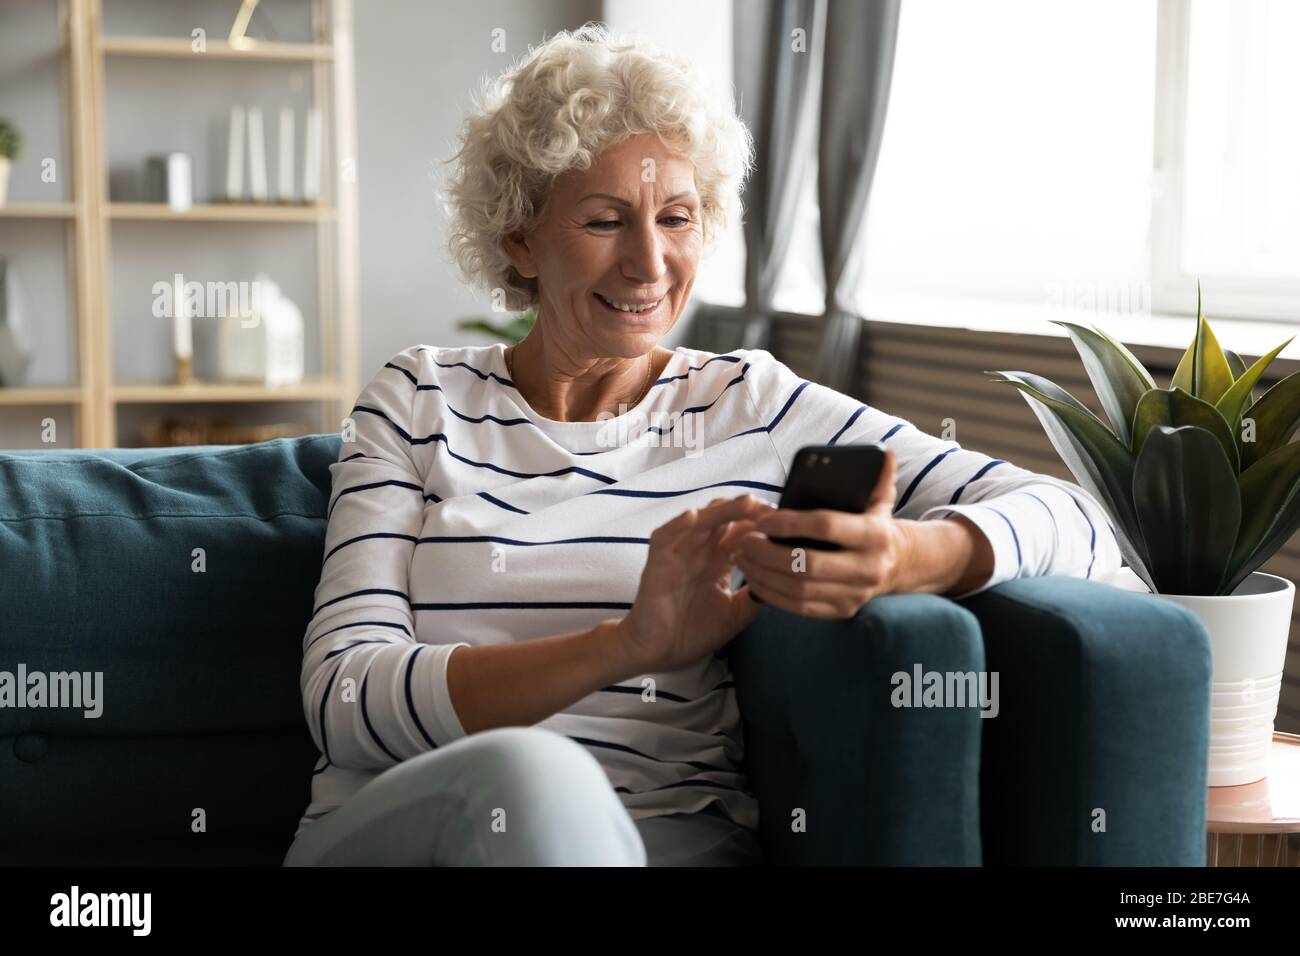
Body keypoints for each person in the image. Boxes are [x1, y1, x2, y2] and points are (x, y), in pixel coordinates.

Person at [282, 23, 1121, 867]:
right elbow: (344, 697)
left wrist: (906, 556)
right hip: (412, 837)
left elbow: (1081, 521)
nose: (650, 264)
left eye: (677, 218)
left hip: (667, 844)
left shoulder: (748, 403)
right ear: (520, 239)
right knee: (531, 777)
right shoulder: (418, 398)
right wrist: (624, 646)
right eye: (606, 220)